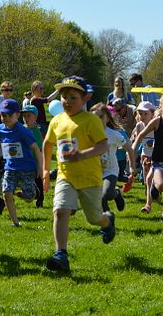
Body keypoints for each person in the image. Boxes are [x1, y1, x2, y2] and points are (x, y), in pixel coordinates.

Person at [42, 76, 114, 272]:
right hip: (66, 176)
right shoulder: (57, 121)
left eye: (73, 97)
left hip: (90, 177)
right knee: (60, 210)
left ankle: (107, 221)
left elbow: (103, 145)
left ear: (84, 99)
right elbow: (48, 144)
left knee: (94, 218)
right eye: (64, 97)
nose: (67, 101)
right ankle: (61, 254)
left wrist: (82, 154)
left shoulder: (91, 120)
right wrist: (46, 170)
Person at [0, 99, 44, 227]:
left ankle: (32, 192)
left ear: (17, 115)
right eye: (4, 115)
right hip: (10, 167)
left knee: (30, 198)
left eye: (10, 115)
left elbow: (36, 149)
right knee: (6, 192)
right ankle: (15, 222)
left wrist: (41, 168)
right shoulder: (0, 129)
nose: (6, 118)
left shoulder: (24, 131)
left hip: (26, 168)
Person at [132, 94, 163, 220]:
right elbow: (141, 135)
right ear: (160, 107)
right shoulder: (157, 121)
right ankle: (154, 185)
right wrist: (133, 149)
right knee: (162, 186)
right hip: (157, 160)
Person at [91, 103, 136, 212]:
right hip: (94, 171)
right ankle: (107, 223)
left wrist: (132, 167)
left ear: (107, 118)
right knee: (100, 199)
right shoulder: (88, 133)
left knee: (107, 194)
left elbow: (129, 149)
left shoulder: (113, 134)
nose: (98, 120)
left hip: (110, 170)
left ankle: (116, 194)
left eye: (101, 117)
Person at [132, 101, 156, 213]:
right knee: (147, 180)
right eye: (140, 113)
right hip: (145, 155)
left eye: (145, 113)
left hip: (156, 155)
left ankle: (149, 202)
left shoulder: (156, 124)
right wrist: (133, 154)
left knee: (153, 179)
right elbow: (139, 141)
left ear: (152, 113)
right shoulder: (139, 126)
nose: (142, 116)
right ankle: (149, 202)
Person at [21, 104, 45, 207]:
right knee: (26, 179)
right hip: (24, 161)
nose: (26, 118)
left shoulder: (37, 131)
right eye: (24, 116)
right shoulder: (21, 129)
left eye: (28, 116)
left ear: (35, 117)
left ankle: (40, 199)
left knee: (38, 180)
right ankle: (31, 193)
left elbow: (38, 147)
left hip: (35, 161)